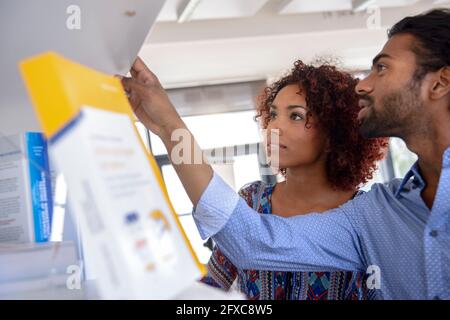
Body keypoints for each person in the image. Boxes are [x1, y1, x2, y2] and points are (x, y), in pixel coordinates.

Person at [120, 9, 450, 299]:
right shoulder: (374, 215)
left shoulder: (364, 211)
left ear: (440, 83)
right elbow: (249, 243)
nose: (362, 86)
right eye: (273, 115)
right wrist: (168, 125)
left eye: (382, 68)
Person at [200, 60, 387, 300]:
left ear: (333, 134)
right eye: (274, 114)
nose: (274, 127)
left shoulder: (366, 217)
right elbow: (208, 289)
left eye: (296, 116)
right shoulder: (251, 202)